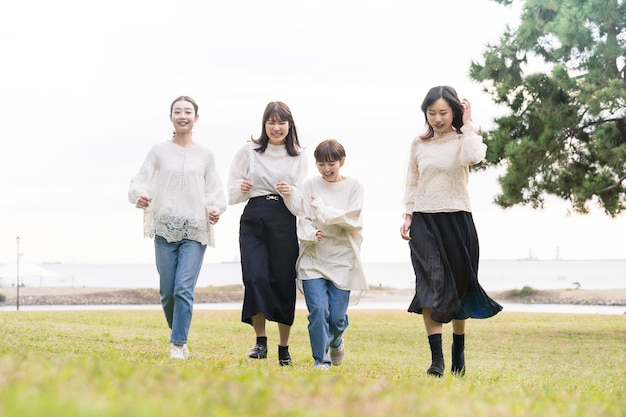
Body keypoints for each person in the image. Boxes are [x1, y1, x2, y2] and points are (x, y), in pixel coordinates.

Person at [399, 86, 502, 377]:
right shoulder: (418, 144)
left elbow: (474, 157)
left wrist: (468, 123)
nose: (437, 118)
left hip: (457, 219)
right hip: (424, 221)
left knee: (459, 287)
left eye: (443, 112)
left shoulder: (463, 139)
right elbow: (412, 180)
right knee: (429, 286)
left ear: (454, 111)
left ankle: (458, 348)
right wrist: (408, 214)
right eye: (431, 113)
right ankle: (436, 359)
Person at [128, 95, 226, 360]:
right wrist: (140, 194)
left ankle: (178, 345)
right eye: (177, 112)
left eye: (188, 112)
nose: (183, 116)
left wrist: (215, 208)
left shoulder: (205, 155)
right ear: (171, 116)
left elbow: (215, 190)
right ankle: (179, 333)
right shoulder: (159, 150)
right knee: (168, 292)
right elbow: (141, 178)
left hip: (195, 229)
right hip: (164, 227)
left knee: (184, 288)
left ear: (196, 117)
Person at [227, 101, 307, 366]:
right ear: (264, 125)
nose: (276, 127)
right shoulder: (249, 150)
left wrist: (290, 192)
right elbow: (231, 190)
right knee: (255, 277)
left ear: (289, 125)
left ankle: (284, 348)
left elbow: (301, 200)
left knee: (283, 282)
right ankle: (260, 341)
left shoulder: (298, 155)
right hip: (254, 217)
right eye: (271, 122)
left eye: (281, 122)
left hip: (284, 219)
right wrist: (243, 186)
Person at [296, 139, 367, 371]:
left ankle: (336, 340)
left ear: (342, 162)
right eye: (321, 164)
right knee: (318, 311)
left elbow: (352, 220)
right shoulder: (310, 186)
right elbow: (303, 218)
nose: (326, 169)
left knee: (336, 318)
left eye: (331, 164)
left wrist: (324, 211)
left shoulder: (354, 186)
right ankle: (321, 360)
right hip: (313, 256)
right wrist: (310, 232)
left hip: (342, 258)